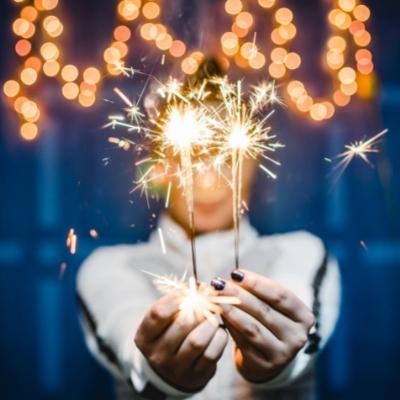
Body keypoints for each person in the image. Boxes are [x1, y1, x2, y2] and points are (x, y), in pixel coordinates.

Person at [76, 59, 341, 400]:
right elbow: (128, 337)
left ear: (253, 156)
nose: (208, 180)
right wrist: (157, 368)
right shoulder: (111, 268)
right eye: (190, 155)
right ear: (158, 165)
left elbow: (301, 334)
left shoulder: (300, 252)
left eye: (225, 156)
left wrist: (278, 360)